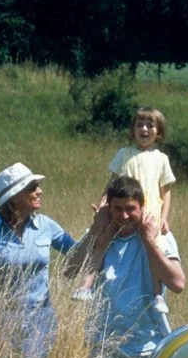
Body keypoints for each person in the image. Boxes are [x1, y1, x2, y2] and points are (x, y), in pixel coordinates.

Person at [66, 174, 186, 358]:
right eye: (117, 209)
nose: (123, 216)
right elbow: (70, 270)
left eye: (131, 209)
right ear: (108, 208)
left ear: (142, 207)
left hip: (143, 345)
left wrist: (149, 241)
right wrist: (94, 229)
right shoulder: (102, 233)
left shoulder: (159, 236)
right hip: (104, 342)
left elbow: (177, 283)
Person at [75, 107, 177, 301]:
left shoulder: (161, 159)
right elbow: (111, 182)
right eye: (139, 125)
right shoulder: (124, 153)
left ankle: (157, 295)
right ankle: (85, 286)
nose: (144, 129)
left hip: (149, 213)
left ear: (159, 132)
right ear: (133, 130)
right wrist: (103, 203)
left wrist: (164, 218)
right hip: (121, 211)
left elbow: (166, 192)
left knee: (154, 249)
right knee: (101, 243)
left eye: (150, 125)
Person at [0, 162, 77, 358]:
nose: (39, 191)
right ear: (15, 196)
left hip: (41, 318)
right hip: (4, 320)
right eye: (32, 187)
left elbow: (76, 253)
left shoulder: (45, 225)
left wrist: (98, 227)